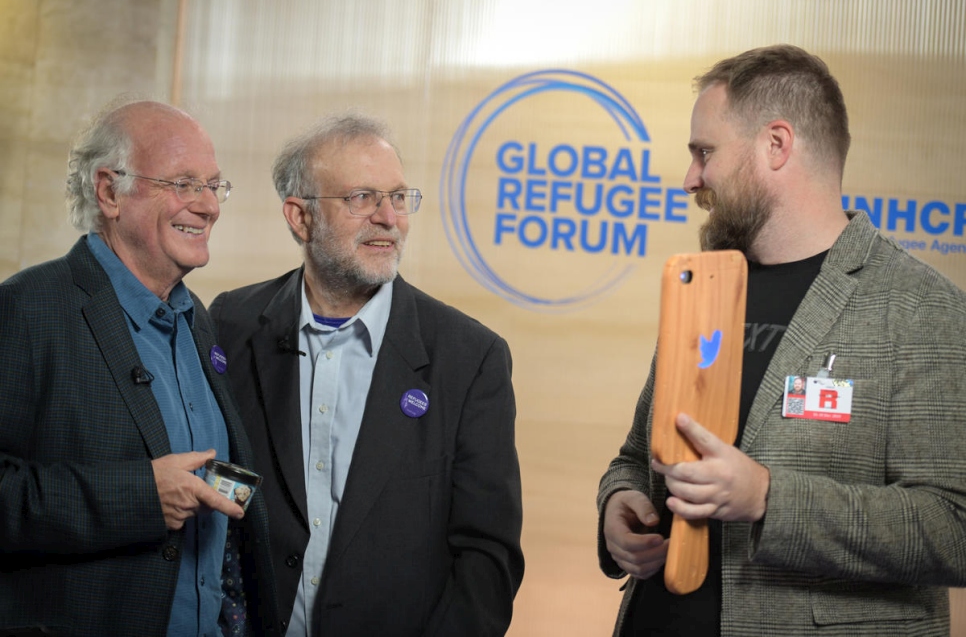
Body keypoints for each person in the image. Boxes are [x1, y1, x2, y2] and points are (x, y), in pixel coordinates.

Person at [597, 44, 966, 636]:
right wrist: (619, 507)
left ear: (776, 144)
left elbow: (953, 526)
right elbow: (639, 456)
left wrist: (768, 497)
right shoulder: (705, 281)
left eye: (704, 152)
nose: (691, 177)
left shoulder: (920, 308)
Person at [209, 112, 524, 636]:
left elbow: (486, 562)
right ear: (299, 217)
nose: (388, 217)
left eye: (399, 197)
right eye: (362, 198)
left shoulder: (471, 358)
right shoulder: (230, 324)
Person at [0, 99, 280, 636]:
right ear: (109, 192)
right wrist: (137, 497)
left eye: (213, 185)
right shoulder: (27, 309)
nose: (208, 206)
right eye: (183, 183)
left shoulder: (196, 316)